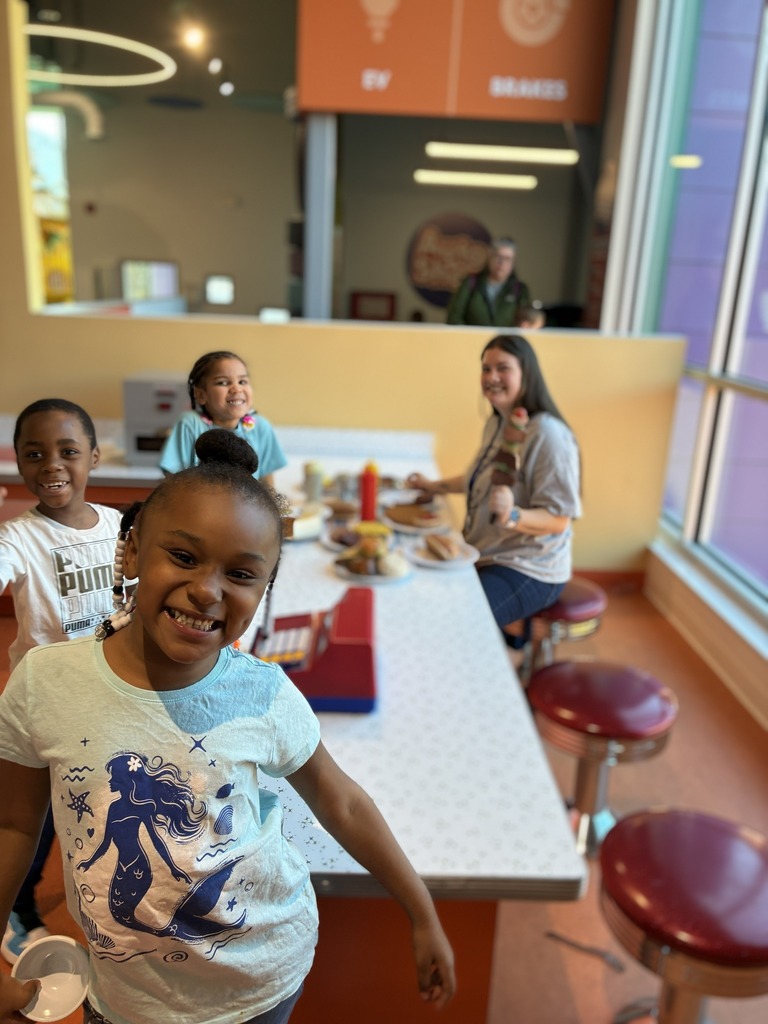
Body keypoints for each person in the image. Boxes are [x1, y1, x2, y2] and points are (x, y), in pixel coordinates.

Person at [0, 430, 455, 1024]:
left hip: (258, 985)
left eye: (241, 574)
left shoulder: (263, 692)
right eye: (183, 557)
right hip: (124, 998)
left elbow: (341, 802)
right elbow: (14, 823)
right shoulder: (44, 683)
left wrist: (422, 912)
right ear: (131, 552)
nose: (207, 590)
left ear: (264, 589)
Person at [0, 398, 124, 967]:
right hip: (43, 708)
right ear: (18, 463)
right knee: (32, 821)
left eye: (68, 451)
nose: (52, 464)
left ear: (94, 458)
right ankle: (17, 907)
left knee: (101, 807)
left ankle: (109, 902)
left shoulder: (119, 528)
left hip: (108, 698)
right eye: (34, 454)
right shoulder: (19, 538)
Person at [407, 333, 580, 648]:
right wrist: (432, 486)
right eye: (486, 369)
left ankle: (501, 653)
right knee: (423, 595)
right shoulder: (498, 423)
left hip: (529, 567)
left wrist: (513, 515)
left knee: (458, 623)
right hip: (486, 554)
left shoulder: (547, 434)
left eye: (503, 368)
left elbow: (559, 520)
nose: (491, 377)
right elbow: (478, 479)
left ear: (526, 373)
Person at [159, 350, 287, 488]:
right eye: (223, 382)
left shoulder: (260, 426)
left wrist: (272, 501)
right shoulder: (190, 423)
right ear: (201, 395)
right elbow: (173, 477)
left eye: (242, 381)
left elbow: (267, 481)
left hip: (246, 501)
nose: (236, 389)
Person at [446, 238, 531, 327]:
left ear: (513, 263)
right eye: (498, 256)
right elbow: (454, 316)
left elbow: (524, 322)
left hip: (505, 336)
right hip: (472, 335)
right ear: (490, 258)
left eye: (507, 259)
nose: (501, 263)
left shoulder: (520, 289)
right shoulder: (471, 283)